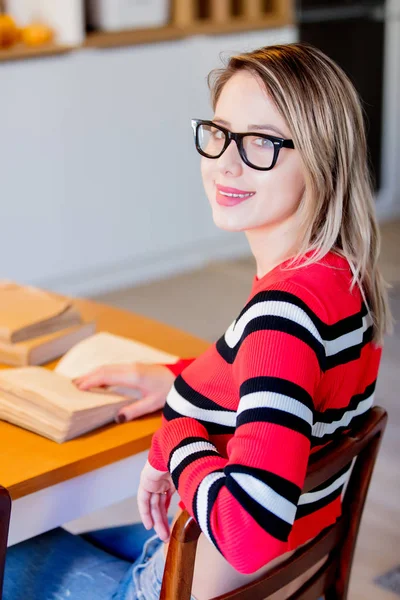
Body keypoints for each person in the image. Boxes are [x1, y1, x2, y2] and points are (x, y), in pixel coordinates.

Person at [4, 42, 392, 600]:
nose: (226, 162)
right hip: (249, 564)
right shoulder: (339, 277)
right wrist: (178, 378)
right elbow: (287, 382)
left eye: (261, 141)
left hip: (181, 581)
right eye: (221, 133)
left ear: (321, 155)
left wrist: (177, 435)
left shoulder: (280, 320)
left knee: (13, 546)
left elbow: (248, 536)